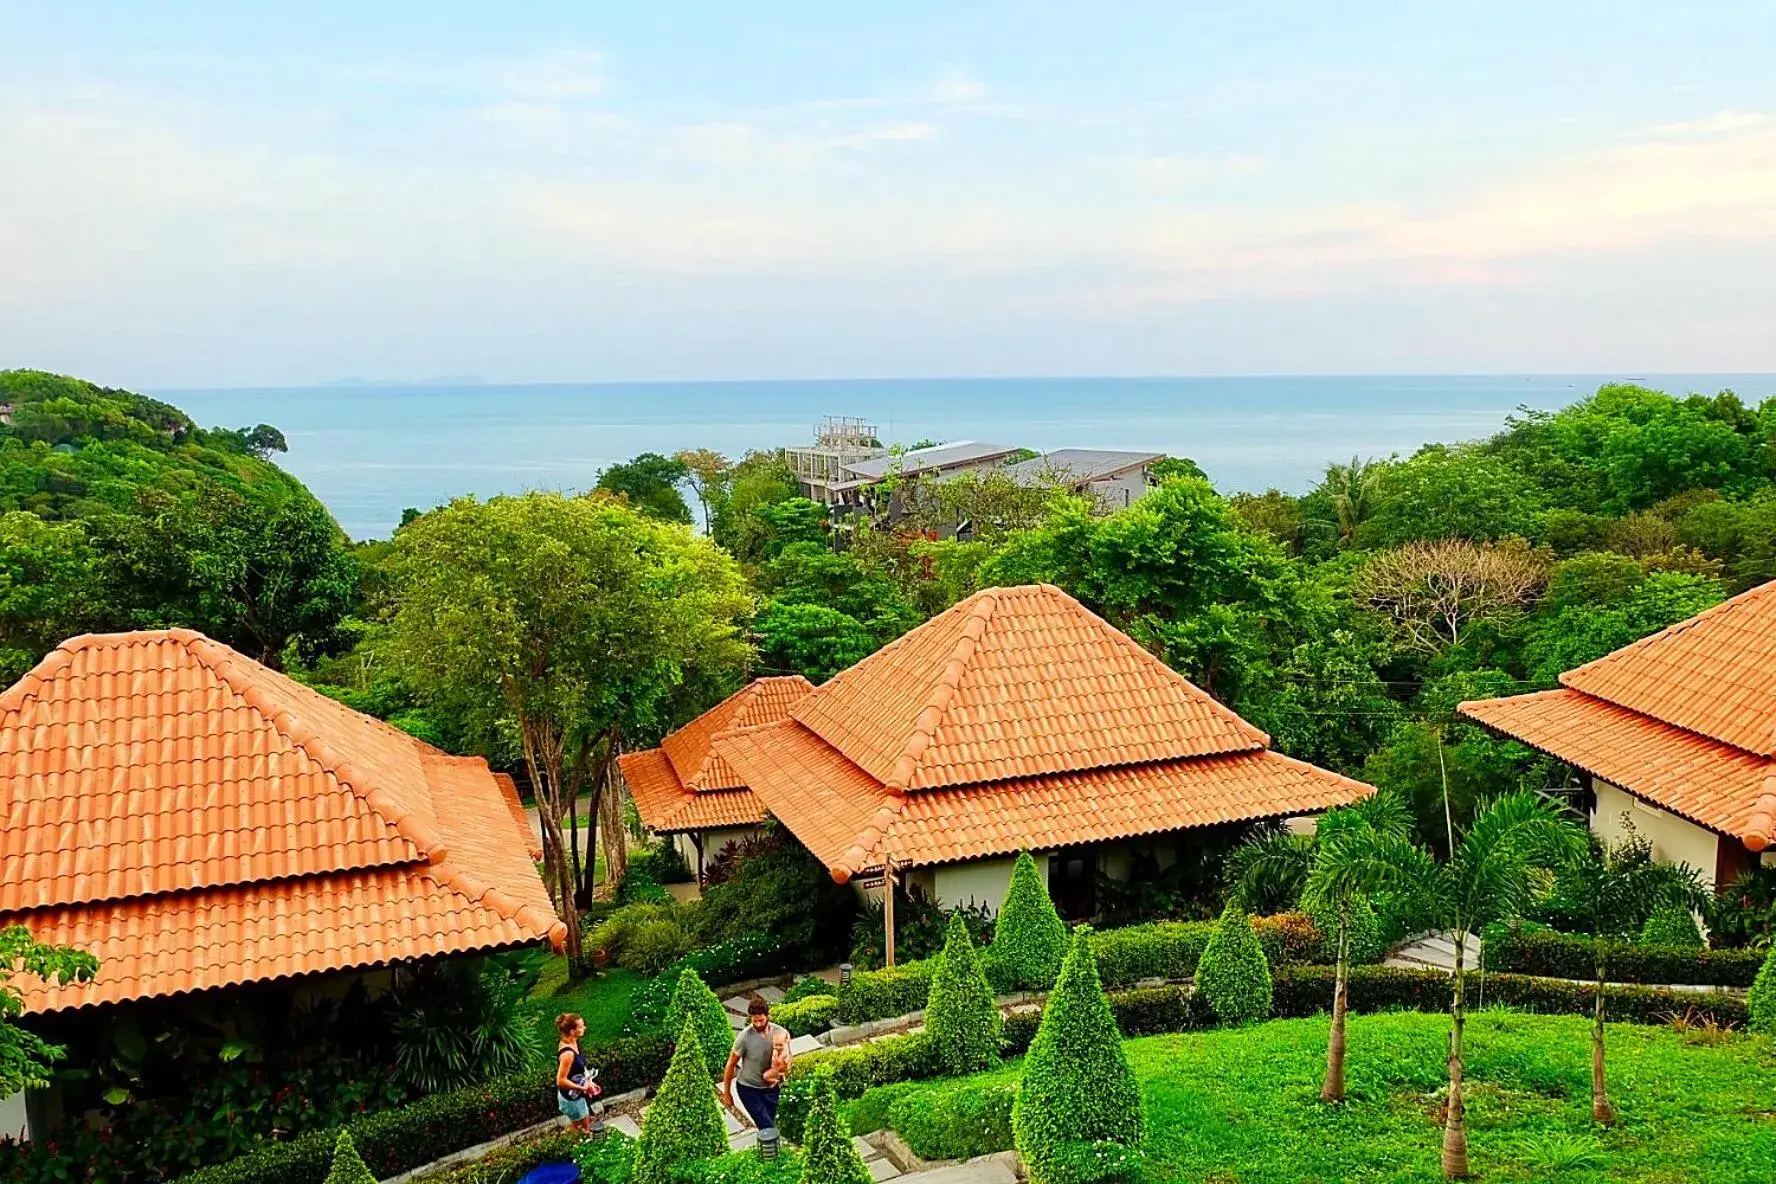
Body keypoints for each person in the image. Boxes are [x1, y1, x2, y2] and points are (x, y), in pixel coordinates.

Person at [721, 998, 792, 1137]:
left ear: (768, 1016)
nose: (758, 1024)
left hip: (771, 1088)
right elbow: (730, 1064)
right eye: (755, 1021)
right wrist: (727, 1093)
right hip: (748, 1088)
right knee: (767, 1127)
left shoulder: (779, 1033)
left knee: (768, 1122)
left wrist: (781, 1071)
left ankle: (768, 1153)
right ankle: (775, 1154)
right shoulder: (744, 1038)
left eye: (761, 1020)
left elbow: (788, 1057)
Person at [555, 1012, 600, 1135]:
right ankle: (577, 1144)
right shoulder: (567, 1054)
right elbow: (560, 1081)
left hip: (578, 1095)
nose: (584, 1028)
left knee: (585, 1122)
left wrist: (589, 1082)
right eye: (580, 1026)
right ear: (572, 1031)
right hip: (571, 1099)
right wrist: (582, 1087)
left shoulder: (574, 1043)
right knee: (584, 1128)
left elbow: (580, 1065)